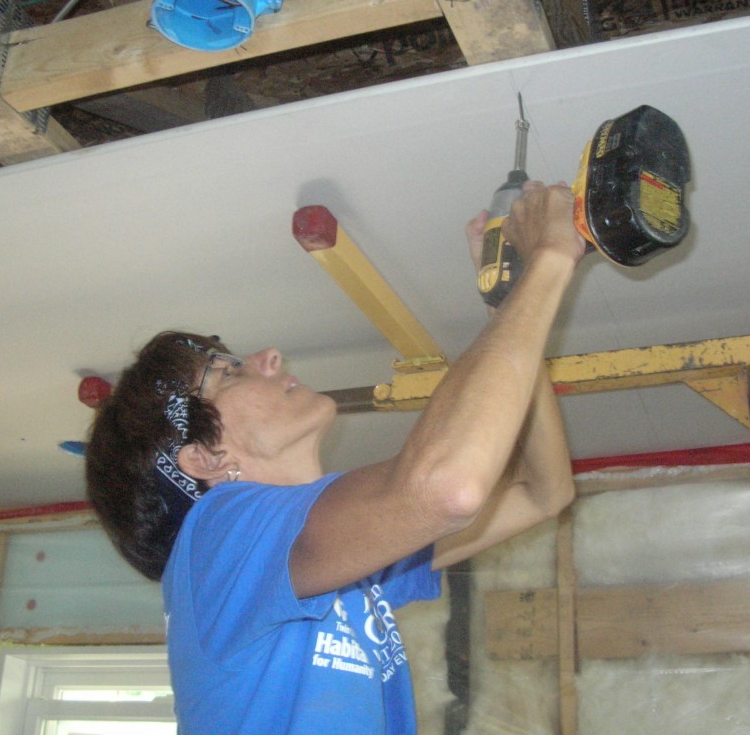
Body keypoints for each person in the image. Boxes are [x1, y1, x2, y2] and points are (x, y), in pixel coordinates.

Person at [85, 182, 585, 734]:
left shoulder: (333, 565)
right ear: (204, 457)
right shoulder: (217, 540)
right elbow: (449, 488)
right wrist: (551, 258)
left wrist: (508, 306)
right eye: (227, 372)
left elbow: (545, 493)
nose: (268, 357)